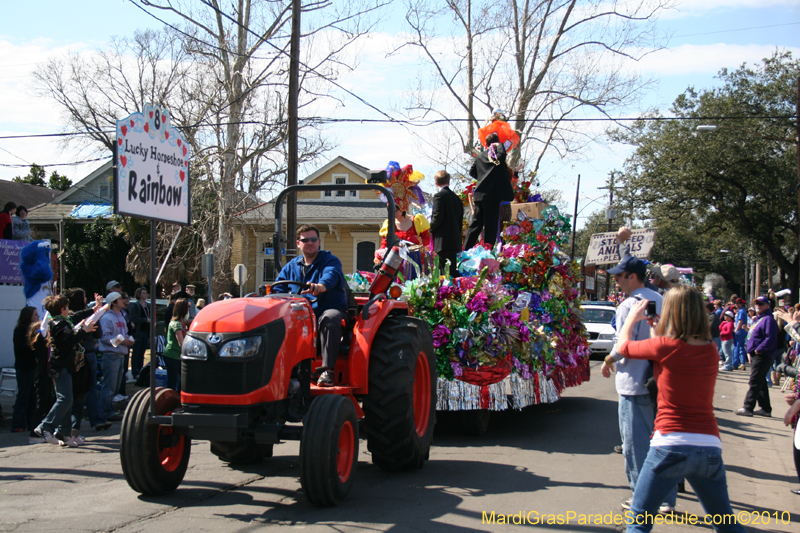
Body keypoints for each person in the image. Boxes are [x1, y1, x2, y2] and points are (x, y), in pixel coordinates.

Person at [608, 287, 745, 533]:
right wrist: (656, 331)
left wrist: (631, 318)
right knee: (726, 523)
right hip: (709, 445)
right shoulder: (710, 350)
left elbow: (624, 346)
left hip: (670, 443)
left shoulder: (665, 346)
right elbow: (671, 354)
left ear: (671, 311)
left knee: (639, 521)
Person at [600, 247, 675, 513]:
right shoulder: (661, 299)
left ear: (632, 277)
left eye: (619, 276)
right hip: (662, 381)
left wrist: (608, 360)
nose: (615, 280)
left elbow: (623, 345)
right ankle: (666, 497)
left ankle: (644, 498)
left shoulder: (629, 305)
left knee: (636, 445)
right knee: (661, 443)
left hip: (634, 382)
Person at [273, 224, 348, 387]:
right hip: (300, 313)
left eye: (313, 239)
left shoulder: (329, 261)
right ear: (298, 244)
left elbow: (331, 275)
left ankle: (327, 371)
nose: (310, 243)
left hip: (326, 309)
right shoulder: (292, 266)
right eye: (305, 240)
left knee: (329, 319)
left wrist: (321, 286)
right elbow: (278, 287)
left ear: (319, 242)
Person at [34, 295, 97, 447]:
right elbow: (70, 340)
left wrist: (93, 309)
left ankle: (63, 432)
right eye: (67, 307)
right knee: (65, 399)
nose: (69, 310)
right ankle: (45, 426)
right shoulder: (58, 324)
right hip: (60, 366)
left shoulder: (62, 320)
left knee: (67, 399)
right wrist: (84, 330)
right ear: (62, 309)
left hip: (65, 365)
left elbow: (76, 316)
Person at [67, 288, 110, 437]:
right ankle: (96, 419)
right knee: (89, 387)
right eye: (84, 296)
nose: (86, 298)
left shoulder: (70, 315)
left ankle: (74, 425)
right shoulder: (83, 315)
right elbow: (98, 333)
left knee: (76, 389)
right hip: (85, 352)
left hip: (76, 354)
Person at [463, 132, 515, 250]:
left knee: (476, 224)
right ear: (496, 142)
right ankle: (487, 251)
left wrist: (483, 178)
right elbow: (502, 156)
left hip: (480, 195)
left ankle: (465, 249)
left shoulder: (480, 156)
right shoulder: (497, 155)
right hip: (492, 196)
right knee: (490, 226)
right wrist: (499, 145)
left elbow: (472, 172)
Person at [736, 295, 778, 417]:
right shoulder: (760, 319)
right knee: (760, 381)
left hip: (763, 355)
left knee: (754, 381)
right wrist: (750, 351)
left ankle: (748, 407)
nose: (758, 306)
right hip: (756, 354)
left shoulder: (768, 319)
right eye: (756, 303)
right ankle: (766, 408)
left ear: (767, 305)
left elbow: (770, 338)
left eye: (761, 304)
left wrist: (759, 349)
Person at [98, 291, 134, 421]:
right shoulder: (107, 318)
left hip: (120, 355)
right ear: (113, 302)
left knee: (115, 386)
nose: (123, 301)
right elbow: (104, 338)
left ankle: (109, 411)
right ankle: (105, 413)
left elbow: (123, 334)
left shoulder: (121, 317)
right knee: (109, 386)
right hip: (110, 355)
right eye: (119, 299)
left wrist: (128, 339)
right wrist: (122, 341)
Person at [429, 170, 464, 278]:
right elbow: (460, 221)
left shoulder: (439, 196)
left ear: (436, 183)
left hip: (443, 242)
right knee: (452, 273)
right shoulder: (457, 198)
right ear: (449, 181)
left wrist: (429, 229)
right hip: (455, 241)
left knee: (444, 274)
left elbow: (437, 218)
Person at [11, 307, 38, 433]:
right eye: (35, 315)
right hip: (24, 368)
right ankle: (17, 424)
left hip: (33, 367)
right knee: (23, 396)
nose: (37, 317)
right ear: (28, 316)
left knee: (33, 397)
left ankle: (31, 422)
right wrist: (33, 341)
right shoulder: (20, 330)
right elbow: (21, 349)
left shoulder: (34, 330)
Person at [27, 320, 53, 444]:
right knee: (41, 406)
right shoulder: (40, 343)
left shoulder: (46, 344)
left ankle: (46, 431)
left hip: (47, 375)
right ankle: (34, 435)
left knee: (49, 404)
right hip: (42, 376)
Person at [162, 298, 189, 391]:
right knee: (173, 381)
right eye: (187, 307)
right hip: (172, 355)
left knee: (182, 380)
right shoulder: (176, 324)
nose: (189, 309)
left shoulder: (181, 323)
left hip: (177, 356)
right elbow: (181, 342)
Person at [127, 287, 152, 380]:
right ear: (139, 294)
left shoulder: (148, 305)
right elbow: (133, 318)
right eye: (143, 293)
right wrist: (145, 320)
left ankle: (141, 371)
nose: (145, 294)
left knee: (142, 352)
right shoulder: (136, 305)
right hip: (139, 331)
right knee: (136, 352)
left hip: (146, 331)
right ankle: (135, 372)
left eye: (146, 293)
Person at [732, 298, 748, 370]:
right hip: (742, 331)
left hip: (740, 331)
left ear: (741, 304)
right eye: (736, 303)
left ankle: (735, 364)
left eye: (738, 303)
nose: (736, 304)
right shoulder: (742, 311)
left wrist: (736, 330)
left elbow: (740, 321)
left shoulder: (741, 311)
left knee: (736, 347)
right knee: (741, 347)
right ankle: (742, 363)